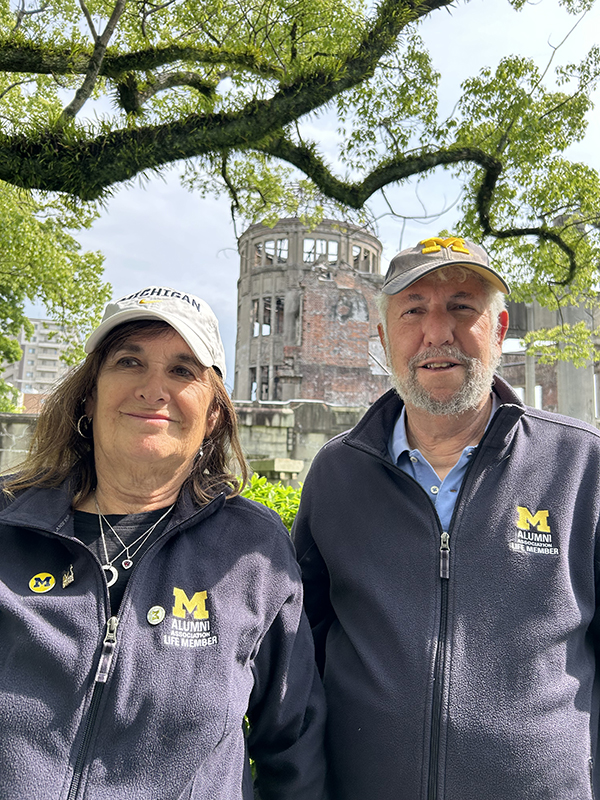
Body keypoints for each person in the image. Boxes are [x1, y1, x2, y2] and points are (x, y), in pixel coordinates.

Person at [292, 235, 600, 800]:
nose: (438, 332)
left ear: (500, 330)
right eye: (414, 310)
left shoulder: (582, 466)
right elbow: (300, 660)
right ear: (384, 339)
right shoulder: (337, 476)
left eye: (462, 306)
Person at [0, 286, 326, 800]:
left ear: (213, 414)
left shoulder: (253, 552)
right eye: (129, 362)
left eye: (182, 371)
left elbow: (293, 746)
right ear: (90, 393)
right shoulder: (9, 527)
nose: (153, 390)